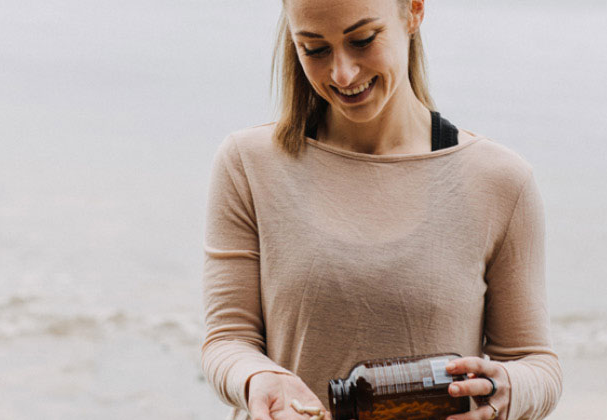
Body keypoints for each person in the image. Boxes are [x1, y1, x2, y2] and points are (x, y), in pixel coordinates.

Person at [201, 0, 562, 419]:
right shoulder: (248, 163)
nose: (343, 73)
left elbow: (538, 365)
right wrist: (257, 377)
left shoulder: (500, 180)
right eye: (314, 49)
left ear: (413, 11)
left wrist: (505, 391)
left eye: (362, 40)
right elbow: (226, 339)